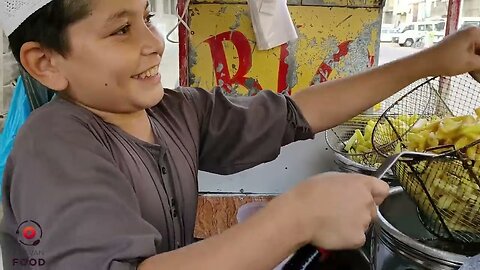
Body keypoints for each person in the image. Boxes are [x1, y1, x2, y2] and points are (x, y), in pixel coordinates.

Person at [0, 0, 479, 269]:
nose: (153, 41)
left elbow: (295, 114)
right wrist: (295, 219)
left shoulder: (176, 110)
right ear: (47, 63)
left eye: (146, 16)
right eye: (120, 30)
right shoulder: (54, 149)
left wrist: (430, 60)